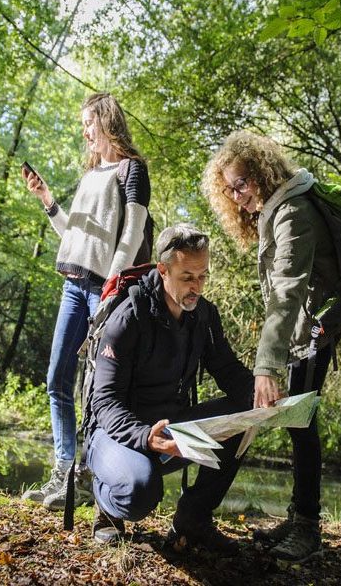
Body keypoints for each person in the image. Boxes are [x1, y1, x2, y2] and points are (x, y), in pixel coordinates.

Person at [202, 130, 341, 563]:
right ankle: (299, 516)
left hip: (314, 331)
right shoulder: (276, 209)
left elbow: (286, 293)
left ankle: (307, 528)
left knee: (301, 422)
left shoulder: (292, 214)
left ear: (263, 172)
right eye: (229, 188)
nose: (236, 194)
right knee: (297, 422)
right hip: (302, 330)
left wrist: (267, 365)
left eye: (242, 183)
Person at [86, 224, 271, 553]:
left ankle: (193, 519)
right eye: (187, 277)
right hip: (115, 433)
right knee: (141, 490)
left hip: (172, 429)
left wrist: (261, 396)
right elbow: (104, 402)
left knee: (245, 415)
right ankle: (106, 506)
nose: (196, 287)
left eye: (202, 276)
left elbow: (227, 370)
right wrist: (146, 437)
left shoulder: (204, 316)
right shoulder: (128, 317)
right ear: (163, 270)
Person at [21, 92, 151, 510]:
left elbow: (131, 236)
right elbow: (73, 239)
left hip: (104, 291)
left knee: (97, 390)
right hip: (72, 286)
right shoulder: (92, 173)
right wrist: (47, 200)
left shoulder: (132, 170)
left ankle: (93, 480)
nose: (84, 131)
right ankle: (63, 474)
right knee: (57, 378)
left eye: (87, 123)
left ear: (106, 119)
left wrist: (112, 288)